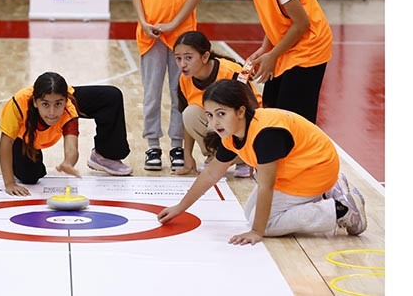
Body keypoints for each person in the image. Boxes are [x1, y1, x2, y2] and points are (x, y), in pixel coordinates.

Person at [157, 79, 366, 244]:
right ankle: (331, 190)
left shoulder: (265, 135)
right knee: (250, 213)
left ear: (240, 111)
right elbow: (211, 174)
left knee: (267, 225)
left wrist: (257, 232)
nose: (215, 122)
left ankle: (341, 210)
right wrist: (180, 207)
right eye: (210, 115)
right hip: (304, 166)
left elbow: (267, 185)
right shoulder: (232, 132)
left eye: (221, 114)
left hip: (314, 170)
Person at [126, 0, 208, 172]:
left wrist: (173, 24)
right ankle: (152, 145)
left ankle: (176, 145)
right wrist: (143, 21)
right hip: (150, 35)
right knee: (151, 94)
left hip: (182, 37)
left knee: (179, 94)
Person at [214, 0, 333, 124]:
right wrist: (265, 48)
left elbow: (301, 23)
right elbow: (277, 19)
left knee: (294, 118)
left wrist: (273, 55)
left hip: (309, 48)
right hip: (288, 46)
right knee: (271, 106)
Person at [0, 72, 133, 196]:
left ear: (66, 100)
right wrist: (9, 183)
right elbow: (6, 143)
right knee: (30, 177)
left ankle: (105, 156)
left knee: (111, 96)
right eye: (45, 104)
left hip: (62, 102)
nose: (52, 112)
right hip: (22, 140)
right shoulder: (18, 104)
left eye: (58, 104)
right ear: (35, 102)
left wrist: (68, 163)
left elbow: (71, 148)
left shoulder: (69, 110)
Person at [172, 30, 261, 178]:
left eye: (188, 58)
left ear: (205, 56)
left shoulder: (232, 71)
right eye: (178, 58)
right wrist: (187, 155)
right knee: (189, 113)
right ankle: (215, 156)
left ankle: (243, 159)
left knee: (218, 115)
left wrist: (254, 150)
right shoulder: (184, 79)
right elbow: (186, 123)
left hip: (245, 128)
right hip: (219, 127)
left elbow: (254, 112)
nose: (183, 64)